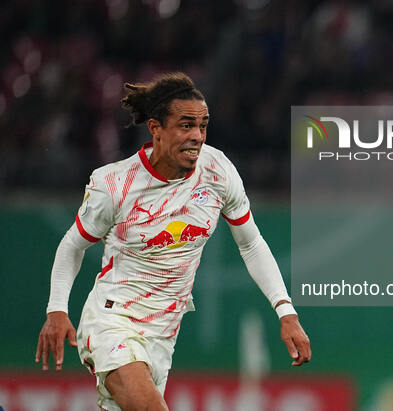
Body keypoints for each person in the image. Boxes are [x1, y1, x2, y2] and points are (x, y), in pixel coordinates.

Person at [35, 72, 311, 410]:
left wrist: (286, 312)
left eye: (203, 126)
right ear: (155, 129)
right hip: (112, 320)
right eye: (185, 126)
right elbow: (73, 245)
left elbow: (251, 243)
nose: (197, 136)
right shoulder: (115, 185)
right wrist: (57, 310)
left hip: (163, 334)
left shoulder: (217, 171)